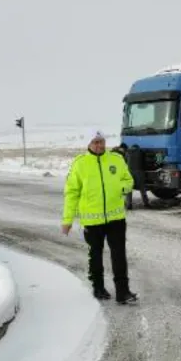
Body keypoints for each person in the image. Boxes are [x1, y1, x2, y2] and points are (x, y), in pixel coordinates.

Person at [62, 130, 138, 304]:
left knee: (119, 255)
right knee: (95, 255)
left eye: (101, 141)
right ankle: (98, 287)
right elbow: (71, 193)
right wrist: (67, 221)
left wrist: (121, 188)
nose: (99, 145)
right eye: (95, 142)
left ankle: (123, 292)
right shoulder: (80, 164)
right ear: (89, 144)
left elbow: (129, 180)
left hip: (116, 218)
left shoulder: (116, 160)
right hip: (92, 221)